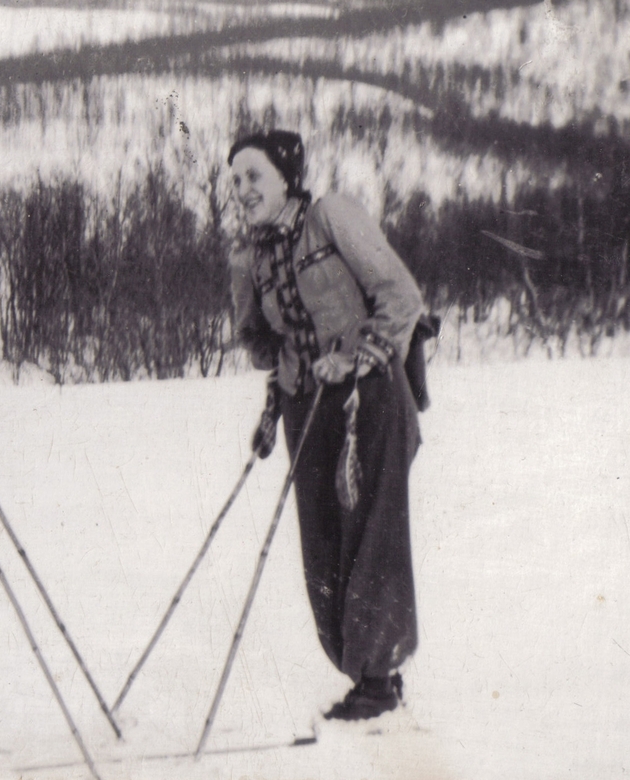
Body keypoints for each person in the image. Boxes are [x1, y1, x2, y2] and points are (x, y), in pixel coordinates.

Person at [227, 130, 425, 722]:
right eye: (234, 181)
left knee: (370, 528)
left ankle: (378, 675)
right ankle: (360, 667)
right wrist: (273, 352)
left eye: (253, 176)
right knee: (322, 538)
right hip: (303, 404)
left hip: (368, 393)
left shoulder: (330, 216)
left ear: (286, 175)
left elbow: (401, 296)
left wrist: (356, 353)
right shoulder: (251, 253)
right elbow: (261, 345)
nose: (242, 190)